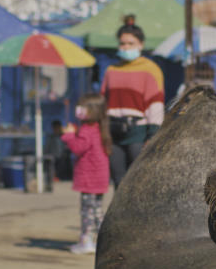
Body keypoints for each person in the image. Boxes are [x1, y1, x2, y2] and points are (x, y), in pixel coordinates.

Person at [101, 16, 164, 188]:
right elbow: (103, 103)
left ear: (140, 45)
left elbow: (156, 105)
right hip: (114, 132)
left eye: (130, 43)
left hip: (138, 132)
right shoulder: (111, 70)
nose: (126, 47)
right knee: (118, 182)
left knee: (139, 182)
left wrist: (152, 136)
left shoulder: (150, 70)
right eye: (122, 44)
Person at [60, 93, 112, 255]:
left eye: (83, 107)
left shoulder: (87, 129)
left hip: (89, 177)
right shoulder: (99, 128)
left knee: (87, 211)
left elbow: (78, 148)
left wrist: (68, 135)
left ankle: (86, 240)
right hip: (99, 177)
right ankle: (105, 240)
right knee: (96, 211)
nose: (79, 110)